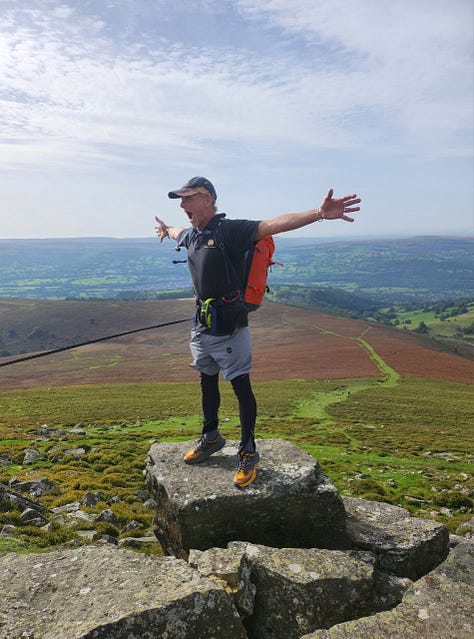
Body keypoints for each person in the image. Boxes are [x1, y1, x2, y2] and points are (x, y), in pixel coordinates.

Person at [155, 176, 361, 488]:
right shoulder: (192, 235)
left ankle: (248, 451)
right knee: (207, 381)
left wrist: (318, 213)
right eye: (180, 200)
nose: (183, 205)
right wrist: (165, 229)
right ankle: (211, 437)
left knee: (240, 387)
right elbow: (175, 232)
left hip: (230, 329)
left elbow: (274, 224)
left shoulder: (231, 231)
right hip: (201, 326)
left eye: (188, 198)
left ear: (208, 199)